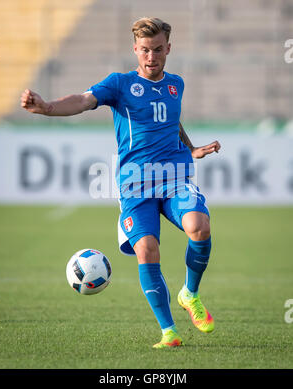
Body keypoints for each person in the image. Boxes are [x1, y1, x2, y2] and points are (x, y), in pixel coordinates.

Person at [21, 17, 221, 349]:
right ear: (135, 49)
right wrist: (48, 107)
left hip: (174, 177)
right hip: (135, 186)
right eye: (145, 50)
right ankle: (168, 331)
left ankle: (190, 293)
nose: (151, 57)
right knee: (147, 249)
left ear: (168, 49)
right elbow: (84, 100)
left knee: (199, 227)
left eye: (158, 50)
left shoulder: (177, 85)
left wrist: (191, 148)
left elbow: (172, 120)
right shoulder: (119, 84)